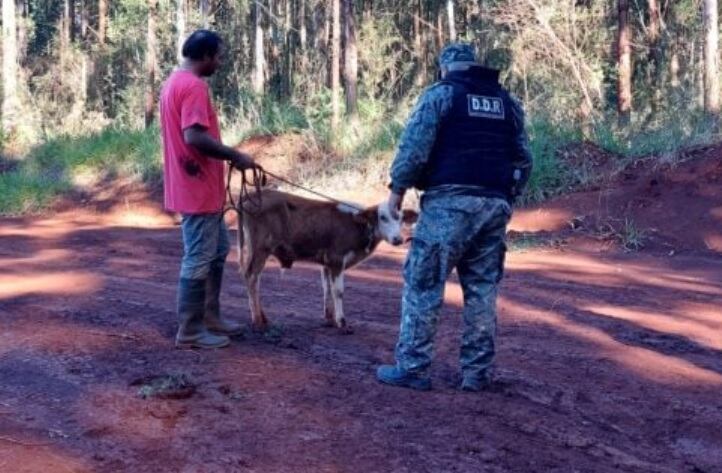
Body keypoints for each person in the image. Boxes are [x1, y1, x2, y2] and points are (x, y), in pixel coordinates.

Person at [376, 43, 533, 391]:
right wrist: (505, 199)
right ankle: (477, 374)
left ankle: (414, 368)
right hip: (494, 206)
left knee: (424, 281)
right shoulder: (507, 103)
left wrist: (396, 194)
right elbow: (524, 161)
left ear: (445, 68)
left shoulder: (441, 95)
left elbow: (414, 149)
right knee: (481, 290)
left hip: (449, 204)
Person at [159, 29, 258, 349]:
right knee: (199, 256)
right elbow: (194, 137)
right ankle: (190, 329)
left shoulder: (174, 82)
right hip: (197, 188)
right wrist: (235, 156)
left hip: (198, 185)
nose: (220, 61)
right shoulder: (193, 87)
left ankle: (210, 317)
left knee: (216, 251)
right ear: (204, 57)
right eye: (217, 56)